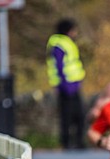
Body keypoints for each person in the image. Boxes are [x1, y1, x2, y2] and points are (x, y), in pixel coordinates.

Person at [46, 18, 86, 149]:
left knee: (78, 115)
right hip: (67, 85)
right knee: (67, 116)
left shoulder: (65, 43)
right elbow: (59, 66)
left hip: (73, 84)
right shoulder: (60, 44)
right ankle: (68, 143)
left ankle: (78, 141)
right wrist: (65, 85)